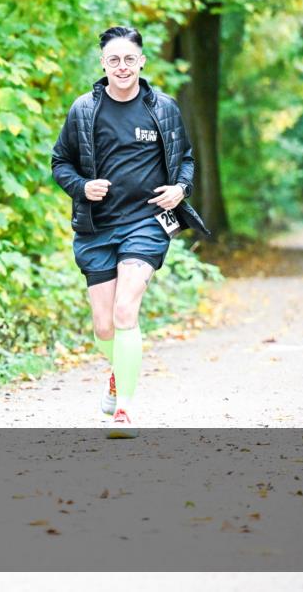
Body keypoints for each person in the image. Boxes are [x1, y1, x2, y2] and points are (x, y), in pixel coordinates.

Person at [51, 26, 209, 438]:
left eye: (129, 59)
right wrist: (82, 187)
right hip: (96, 227)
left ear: (142, 62)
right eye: (113, 59)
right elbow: (60, 163)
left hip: (148, 222)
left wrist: (180, 189)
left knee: (126, 311)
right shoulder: (84, 109)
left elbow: (186, 159)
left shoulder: (164, 108)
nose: (122, 66)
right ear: (103, 64)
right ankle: (119, 372)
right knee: (104, 327)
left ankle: (124, 410)